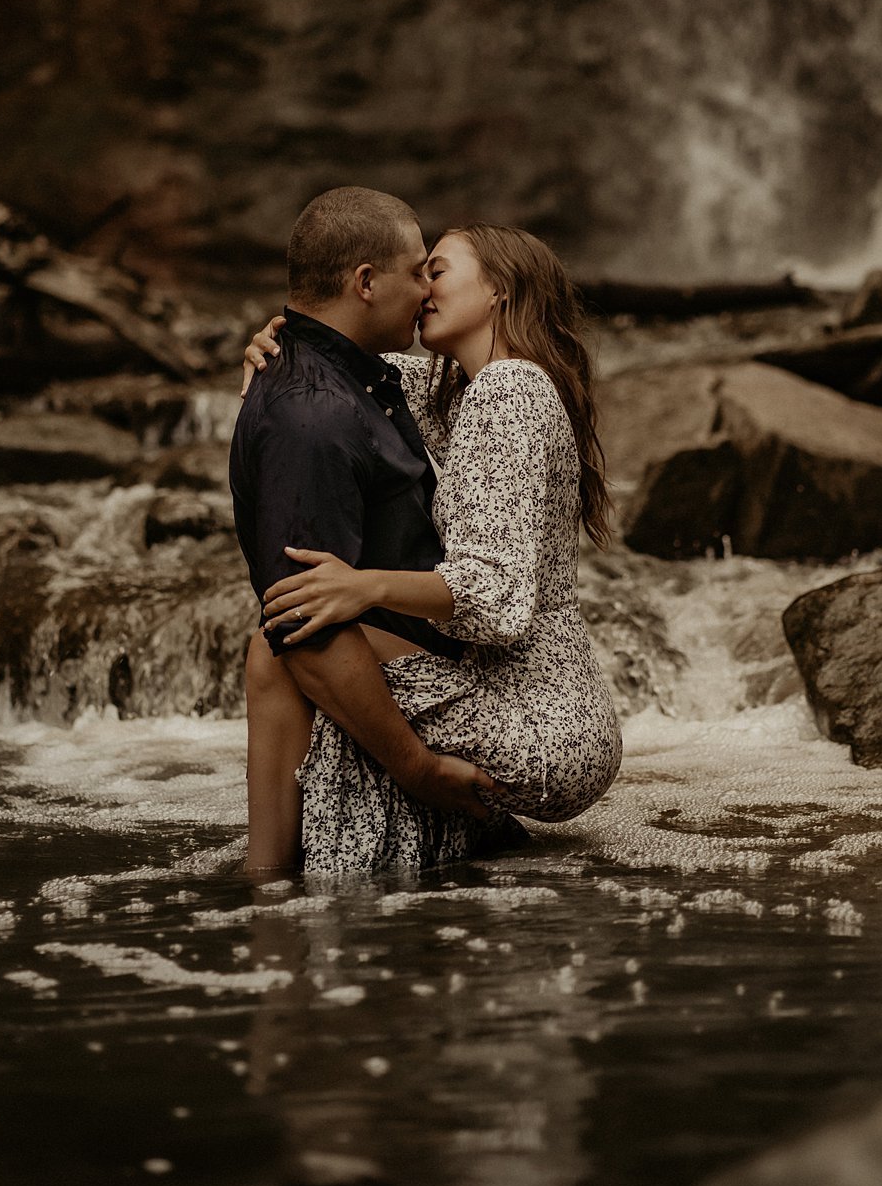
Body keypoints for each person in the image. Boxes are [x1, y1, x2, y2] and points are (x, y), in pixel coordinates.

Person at [234, 196, 623, 876]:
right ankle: (270, 877)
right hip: (535, 702)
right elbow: (342, 363)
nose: (421, 289)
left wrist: (362, 588)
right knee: (290, 636)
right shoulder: (457, 389)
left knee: (286, 637)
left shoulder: (508, 389)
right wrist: (280, 335)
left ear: (497, 289)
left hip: (540, 720)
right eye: (415, 273)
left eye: (435, 270)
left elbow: (496, 596)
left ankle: (263, 887)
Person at [229, 187, 507, 877]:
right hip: (398, 722)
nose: (426, 289)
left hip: (408, 694)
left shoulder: (358, 378)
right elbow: (302, 629)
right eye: (419, 271)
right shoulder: (313, 419)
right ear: (364, 283)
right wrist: (418, 770)